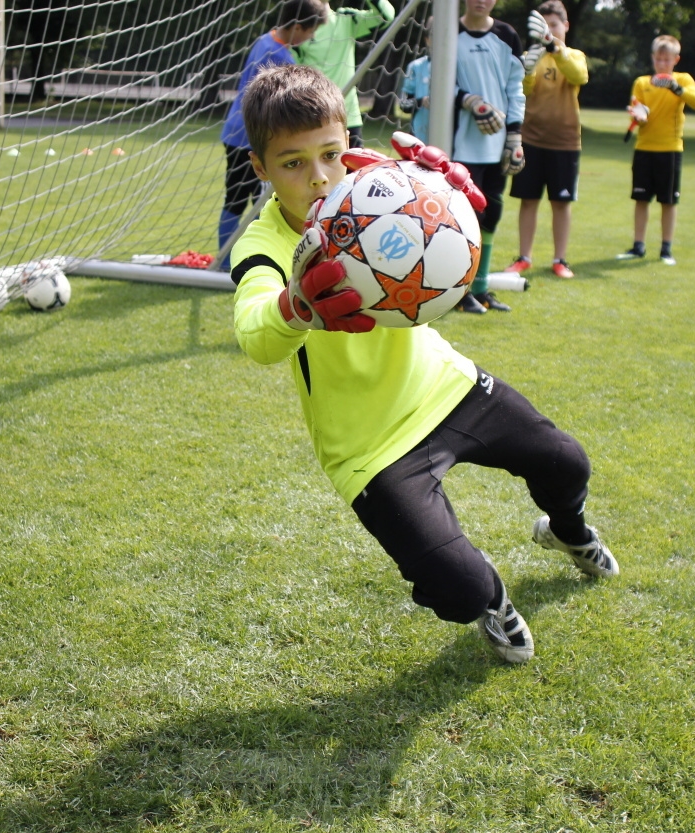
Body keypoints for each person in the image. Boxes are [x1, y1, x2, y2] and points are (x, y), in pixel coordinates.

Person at [231, 64, 618, 665]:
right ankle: (491, 598)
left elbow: (433, 221)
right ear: (260, 168)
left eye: (332, 153)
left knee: (566, 463)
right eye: (292, 163)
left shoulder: (379, 183)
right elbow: (256, 334)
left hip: (445, 386)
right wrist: (295, 306)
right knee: (457, 591)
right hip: (368, 445)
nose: (319, 177)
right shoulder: (264, 247)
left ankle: (568, 531)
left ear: (349, 144)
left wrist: (444, 203)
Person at [218, 0, 327, 266]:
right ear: (299, 26)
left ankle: (238, 260)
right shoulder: (280, 58)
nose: (311, 38)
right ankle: (229, 262)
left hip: (237, 133)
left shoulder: (264, 40)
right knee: (259, 202)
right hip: (253, 140)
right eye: (311, 32)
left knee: (247, 200)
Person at [503, 2, 588, 280]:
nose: (549, 30)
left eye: (554, 25)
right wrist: (528, 68)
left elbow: (579, 76)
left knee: (561, 203)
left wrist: (555, 48)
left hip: (565, 141)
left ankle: (559, 259)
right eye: (545, 25)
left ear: (565, 26)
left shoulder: (573, 55)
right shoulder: (531, 55)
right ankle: (524, 257)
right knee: (528, 200)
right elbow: (523, 91)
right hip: (531, 139)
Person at [452, 0, 526, 314]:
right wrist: (468, 101)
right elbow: (429, 80)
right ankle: (458, 291)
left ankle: (480, 289)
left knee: (491, 214)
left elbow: (515, 88)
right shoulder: (447, 32)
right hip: (457, 144)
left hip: (497, 146)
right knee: (462, 219)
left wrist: (515, 135)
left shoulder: (507, 35)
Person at [615, 34, 695, 266]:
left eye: (667, 60)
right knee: (641, 198)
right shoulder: (642, 82)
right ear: (653, 58)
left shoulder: (683, 80)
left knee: (668, 201)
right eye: (658, 59)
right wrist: (639, 116)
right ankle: (638, 246)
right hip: (644, 148)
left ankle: (666, 249)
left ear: (676, 59)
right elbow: (639, 109)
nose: (662, 64)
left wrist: (676, 88)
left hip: (670, 149)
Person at [294, 0, 395, 149]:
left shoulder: (346, 19)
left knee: (357, 171)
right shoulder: (299, 28)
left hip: (348, 115)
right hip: (313, 116)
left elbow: (385, 16)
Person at [398, 19, 432, 144]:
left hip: (451, 139)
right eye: (434, 36)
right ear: (427, 39)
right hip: (419, 138)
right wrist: (421, 101)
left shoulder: (457, 66)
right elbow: (403, 104)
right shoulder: (415, 67)